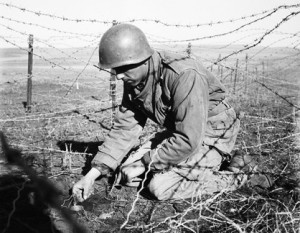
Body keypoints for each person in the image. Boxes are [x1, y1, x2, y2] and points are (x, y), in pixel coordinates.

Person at [72, 23, 272, 202]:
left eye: (123, 69)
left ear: (143, 59)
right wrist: (91, 175)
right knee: (126, 172)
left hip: (212, 131)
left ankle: (238, 174)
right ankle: (204, 165)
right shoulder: (134, 79)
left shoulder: (183, 74)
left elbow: (189, 138)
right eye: (115, 70)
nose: (119, 76)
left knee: (160, 187)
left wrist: (144, 162)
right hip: (180, 131)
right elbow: (125, 129)